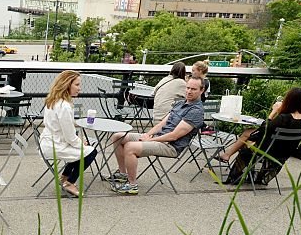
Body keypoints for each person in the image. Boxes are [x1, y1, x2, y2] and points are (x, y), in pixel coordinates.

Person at [109, 76, 205, 196]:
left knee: (130, 147)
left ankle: (132, 185)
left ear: (202, 90)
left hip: (170, 146)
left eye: (194, 89)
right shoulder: (180, 103)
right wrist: (147, 135)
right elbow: (162, 123)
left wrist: (151, 139)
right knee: (118, 136)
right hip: (159, 138)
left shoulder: (196, 111)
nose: (189, 91)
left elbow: (174, 136)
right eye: (187, 88)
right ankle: (123, 174)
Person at [219, 87, 301, 186]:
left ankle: (232, 166)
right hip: (284, 154)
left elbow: (264, 130)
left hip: (267, 151)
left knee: (246, 141)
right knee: (248, 135)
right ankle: (249, 172)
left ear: (288, 100)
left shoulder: (283, 118)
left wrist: (274, 111)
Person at [39, 70, 98, 198]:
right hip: (55, 146)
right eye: (77, 85)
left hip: (48, 142)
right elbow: (70, 137)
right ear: (67, 84)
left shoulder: (53, 100)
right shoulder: (64, 106)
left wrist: (79, 143)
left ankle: (64, 177)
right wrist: (80, 143)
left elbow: (65, 131)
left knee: (80, 150)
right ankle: (70, 182)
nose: (79, 88)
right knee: (91, 152)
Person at [152, 61, 187, 126]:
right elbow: (190, 97)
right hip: (168, 120)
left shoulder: (164, 79)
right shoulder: (182, 83)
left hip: (156, 118)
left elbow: (153, 92)